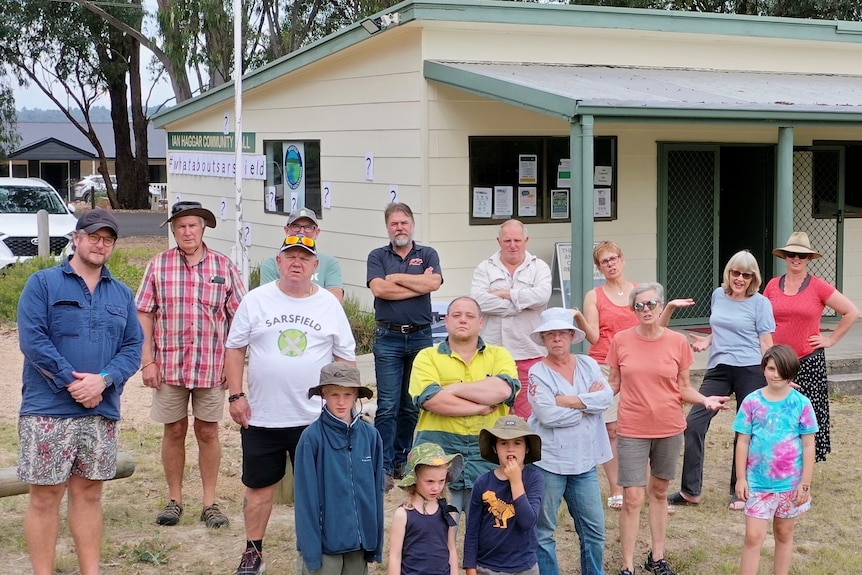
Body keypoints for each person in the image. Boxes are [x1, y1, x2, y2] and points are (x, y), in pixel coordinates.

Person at [17, 209, 143, 575]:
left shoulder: (121, 293)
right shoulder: (43, 283)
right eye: (94, 236)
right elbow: (33, 339)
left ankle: (91, 571)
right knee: (45, 497)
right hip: (47, 409)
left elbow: (134, 346)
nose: (100, 244)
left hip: (100, 410)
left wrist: (103, 380)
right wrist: (73, 382)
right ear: (77, 238)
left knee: (89, 494)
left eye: (108, 239)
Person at [225, 234, 356, 575]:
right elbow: (235, 348)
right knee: (258, 489)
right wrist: (236, 395)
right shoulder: (256, 301)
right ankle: (253, 552)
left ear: (315, 266)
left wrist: (344, 406)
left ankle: (319, 551)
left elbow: (346, 359)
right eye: (290, 256)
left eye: (304, 258)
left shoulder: (328, 304)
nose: (297, 262)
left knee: (320, 490)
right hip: (263, 416)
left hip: (315, 418)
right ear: (279, 262)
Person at [608, 282, 730, 575]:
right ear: (633, 310)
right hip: (633, 429)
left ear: (662, 307)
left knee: (660, 493)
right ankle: (627, 566)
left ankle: (657, 557)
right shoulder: (621, 341)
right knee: (633, 498)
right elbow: (613, 384)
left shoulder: (676, 342)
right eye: (640, 305)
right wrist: (587, 399)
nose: (646, 309)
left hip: (669, 428)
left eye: (651, 304)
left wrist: (705, 399)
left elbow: (683, 388)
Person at [136, 201, 245, 529]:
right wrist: (148, 361)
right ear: (173, 229)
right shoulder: (158, 265)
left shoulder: (224, 267)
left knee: (208, 431)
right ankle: (175, 499)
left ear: (203, 228)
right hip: (169, 365)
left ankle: (210, 502)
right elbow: (144, 314)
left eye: (193, 225)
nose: (187, 232)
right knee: (174, 430)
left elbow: (240, 318)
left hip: (211, 366)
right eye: (181, 226)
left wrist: (233, 364)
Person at [574, 241, 683, 511]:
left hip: (639, 366)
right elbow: (595, 337)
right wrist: (579, 319)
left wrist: (667, 309)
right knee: (612, 428)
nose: (610, 264)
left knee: (642, 427)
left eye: (614, 258)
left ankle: (650, 490)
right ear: (598, 267)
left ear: (622, 260)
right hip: (605, 365)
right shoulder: (594, 296)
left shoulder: (639, 292)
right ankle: (617, 489)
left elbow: (656, 329)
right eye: (603, 261)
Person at [668, 250, 775, 510]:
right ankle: (690, 491)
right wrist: (708, 339)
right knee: (693, 422)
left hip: (750, 368)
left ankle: (740, 489)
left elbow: (766, 342)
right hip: (719, 367)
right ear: (728, 273)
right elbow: (720, 326)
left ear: (754, 278)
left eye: (746, 275)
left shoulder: (760, 304)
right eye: (735, 273)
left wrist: (776, 374)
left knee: (745, 430)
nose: (740, 279)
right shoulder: (718, 294)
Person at [409, 296, 519, 514]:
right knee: (434, 532)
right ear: (446, 320)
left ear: (481, 322)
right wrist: (479, 406)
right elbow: (432, 400)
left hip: (486, 454)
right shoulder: (427, 357)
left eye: (470, 316)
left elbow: (503, 391)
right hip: (438, 452)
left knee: (489, 533)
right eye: (457, 315)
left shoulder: (500, 355)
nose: (463, 320)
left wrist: (452, 388)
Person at [528, 307, 613, 575]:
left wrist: (565, 400)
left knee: (595, 531)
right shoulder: (537, 372)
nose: (556, 339)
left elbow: (606, 399)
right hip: (548, 462)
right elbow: (547, 415)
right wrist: (587, 404)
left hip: (584, 462)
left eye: (562, 333)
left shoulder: (588, 364)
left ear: (571, 335)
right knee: (544, 532)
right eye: (550, 334)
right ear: (543, 338)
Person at [764, 231, 860, 463]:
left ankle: (804, 464)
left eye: (801, 255)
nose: (796, 259)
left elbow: (851, 311)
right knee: (777, 412)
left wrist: (831, 339)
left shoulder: (818, 286)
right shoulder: (773, 285)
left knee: (806, 415)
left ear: (808, 259)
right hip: (777, 362)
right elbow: (762, 318)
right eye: (791, 254)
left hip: (808, 361)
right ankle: (779, 459)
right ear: (785, 257)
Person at [367, 202, 443, 490]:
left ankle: (402, 459)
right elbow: (379, 289)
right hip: (389, 338)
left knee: (412, 405)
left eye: (404, 222)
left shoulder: (428, 253)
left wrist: (397, 277)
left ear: (412, 224)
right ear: (388, 227)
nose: (399, 227)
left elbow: (433, 283)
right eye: (394, 223)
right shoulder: (377, 256)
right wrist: (417, 282)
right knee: (387, 406)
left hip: (421, 338)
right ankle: (383, 466)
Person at [734, 345, 818, 575]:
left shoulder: (802, 404)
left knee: (784, 533)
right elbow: (742, 441)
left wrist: (805, 483)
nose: (776, 374)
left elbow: (809, 445)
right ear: (764, 369)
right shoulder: (752, 402)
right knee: (753, 537)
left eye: (781, 369)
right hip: (758, 484)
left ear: (791, 371)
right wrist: (741, 478)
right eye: (771, 368)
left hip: (790, 485)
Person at [295, 362, 384, 575]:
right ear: (324, 395)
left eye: (347, 394)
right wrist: (311, 551)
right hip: (326, 547)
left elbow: (377, 493)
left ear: (356, 396)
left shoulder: (371, 437)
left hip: (360, 545)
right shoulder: (311, 438)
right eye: (334, 394)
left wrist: (375, 543)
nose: (341, 401)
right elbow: (305, 501)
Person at [471, 219, 551, 418]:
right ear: (499, 241)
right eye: (507, 241)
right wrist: (521, 303)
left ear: (526, 240)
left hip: (529, 352)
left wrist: (505, 294)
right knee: (492, 413)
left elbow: (542, 296)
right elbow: (478, 301)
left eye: (517, 240)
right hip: (492, 353)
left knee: (529, 415)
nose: (512, 245)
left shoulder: (539, 267)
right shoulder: (485, 268)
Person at [464, 415, 544, 575]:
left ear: (527, 448)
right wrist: (470, 567)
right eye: (503, 443)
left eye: (517, 443)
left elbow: (528, 522)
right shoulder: (482, 482)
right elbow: (472, 529)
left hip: (524, 567)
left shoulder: (535, 479)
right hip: (487, 567)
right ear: (494, 448)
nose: (510, 448)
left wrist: (516, 482)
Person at [389, 443, 463, 575]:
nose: (436, 487)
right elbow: (395, 556)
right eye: (429, 481)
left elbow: (451, 549)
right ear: (415, 479)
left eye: (441, 481)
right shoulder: (403, 514)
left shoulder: (448, 512)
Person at [258, 207, 344, 303]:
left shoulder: (330, 263)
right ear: (287, 230)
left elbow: (335, 297)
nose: (302, 232)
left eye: (308, 227)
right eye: (296, 226)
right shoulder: (271, 264)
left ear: (317, 233)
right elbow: (268, 298)